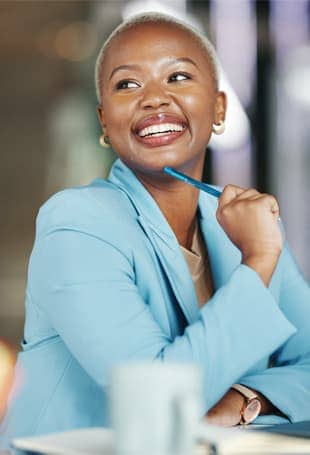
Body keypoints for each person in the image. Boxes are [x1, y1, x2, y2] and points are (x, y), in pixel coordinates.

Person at [1, 12, 310, 448]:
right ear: (105, 123)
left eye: (178, 76)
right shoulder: (75, 224)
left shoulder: (245, 222)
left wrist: (245, 399)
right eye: (127, 85)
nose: (154, 99)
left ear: (219, 109)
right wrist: (258, 260)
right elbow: (157, 402)